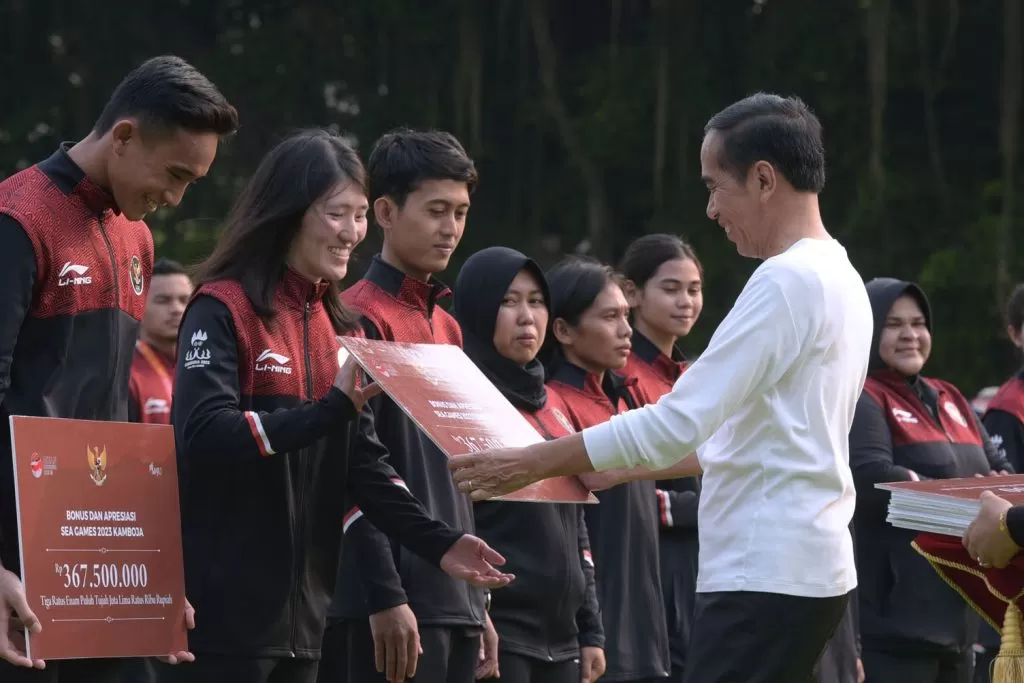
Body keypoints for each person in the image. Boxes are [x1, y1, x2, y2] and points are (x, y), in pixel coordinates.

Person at [448, 92, 874, 683]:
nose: (710, 209)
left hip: (763, 570)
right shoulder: (842, 276)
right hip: (809, 567)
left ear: (763, 179)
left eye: (714, 186)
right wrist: (620, 469)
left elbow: (678, 420)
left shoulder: (786, 282)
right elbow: (744, 436)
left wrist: (532, 462)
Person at [161, 129, 512, 683]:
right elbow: (205, 432)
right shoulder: (222, 305)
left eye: (357, 216)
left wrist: (441, 544)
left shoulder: (333, 323)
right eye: (335, 215)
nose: (351, 233)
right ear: (290, 213)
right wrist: (327, 411)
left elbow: (363, 467)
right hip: (224, 616)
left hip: (307, 623)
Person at [0, 55, 238, 683]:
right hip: (17, 561)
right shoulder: (17, 219)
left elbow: (114, 413)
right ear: (125, 136)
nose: (177, 197)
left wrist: (150, 569)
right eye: (176, 174)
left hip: (98, 556)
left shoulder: (138, 240)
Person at [320, 128, 495, 683]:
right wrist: (383, 594)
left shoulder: (447, 325)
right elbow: (348, 467)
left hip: (454, 596)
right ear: (386, 212)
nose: (451, 229)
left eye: (461, 212)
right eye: (437, 210)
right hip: (387, 604)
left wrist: (479, 605)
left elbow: (461, 465)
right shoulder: (350, 317)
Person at [452, 246, 607, 683]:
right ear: (479, 309)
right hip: (502, 633)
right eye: (508, 301)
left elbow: (576, 521)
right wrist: (478, 610)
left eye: (536, 301)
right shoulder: (460, 401)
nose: (527, 317)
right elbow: (456, 516)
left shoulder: (552, 404)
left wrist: (590, 629)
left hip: (562, 638)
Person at [849, 278, 1011, 683]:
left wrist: (979, 490)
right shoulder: (862, 396)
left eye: (918, 324)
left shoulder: (951, 396)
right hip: (894, 623)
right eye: (894, 324)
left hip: (961, 614)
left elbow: (1002, 475)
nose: (910, 335)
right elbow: (873, 480)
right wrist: (969, 493)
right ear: (868, 330)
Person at [541, 255, 670, 683]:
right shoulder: (554, 402)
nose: (626, 330)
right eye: (610, 317)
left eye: (627, 316)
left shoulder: (624, 400)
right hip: (595, 616)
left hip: (643, 615)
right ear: (563, 330)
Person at [616, 234, 703, 683]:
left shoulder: (696, 376)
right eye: (670, 289)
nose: (685, 301)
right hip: (647, 560)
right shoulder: (620, 375)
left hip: (700, 562)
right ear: (632, 293)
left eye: (694, 289)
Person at [128, 257, 193, 424]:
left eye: (184, 300)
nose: (177, 309)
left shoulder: (211, 367)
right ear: (138, 306)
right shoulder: (125, 373)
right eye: (163, 301)